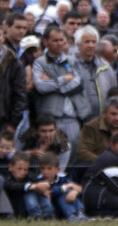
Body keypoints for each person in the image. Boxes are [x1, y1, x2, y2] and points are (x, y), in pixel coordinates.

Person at [33, 26, 90, 164]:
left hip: (72, 118)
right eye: (55, 40)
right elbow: (40, 87)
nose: (59, 43)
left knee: (74, 156)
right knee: (51, 157)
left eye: (61, 40)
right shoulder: (39, 62)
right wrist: (64, 79)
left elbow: (79, 83)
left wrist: (53, 84)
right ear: (46, 42)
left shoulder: (72, 60)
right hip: (52, 119)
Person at [37, 151, 87, 222]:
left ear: (58, 170)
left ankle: (81, 213)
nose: (45, 172)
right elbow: (52, 192)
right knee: (62, 193)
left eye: (49, 168)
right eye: (43, 168)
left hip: (66, 206)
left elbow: (80, 188)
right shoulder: (39, 181)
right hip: (54, 210)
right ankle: (71, 216)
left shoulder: (63, 179)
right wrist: (67, 186)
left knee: (70, 191)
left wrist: (74, 191)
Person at [4, 150, 54, 219]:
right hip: (16, 211)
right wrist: (30, 186)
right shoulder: (6, 178)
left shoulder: (29, 176)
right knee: (29, 191)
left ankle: (48, 214)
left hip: (27, 210)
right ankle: (36, 215)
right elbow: (11, 186)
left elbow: (39, 181)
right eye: (19, 169)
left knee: (40, 190)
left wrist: (46, 185)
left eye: (25, 169)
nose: (22, 172)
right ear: (10, 167)